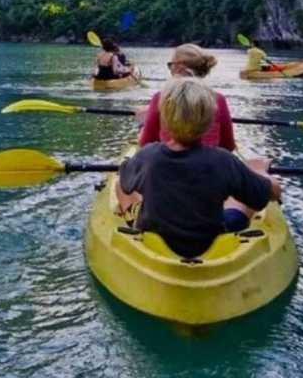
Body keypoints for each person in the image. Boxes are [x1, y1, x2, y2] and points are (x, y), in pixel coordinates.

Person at [115, 77, 282, 259]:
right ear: (210, 121)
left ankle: (133, 222)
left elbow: (125, 182)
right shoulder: (223, 160)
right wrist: (259, 171)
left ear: (164, 120)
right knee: (244, 198)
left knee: (119, 186)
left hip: (154, 238)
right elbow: (269, 194)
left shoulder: (147, 155)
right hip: (210, 241)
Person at [138, 43, 235, 150]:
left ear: (179, 68)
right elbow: (228, 146)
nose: (170, 70)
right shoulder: (218, 99)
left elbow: (146, 143)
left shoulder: (161, 97)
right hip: (208, 164)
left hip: (169, 163)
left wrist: (143, 123)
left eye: (170, 65)